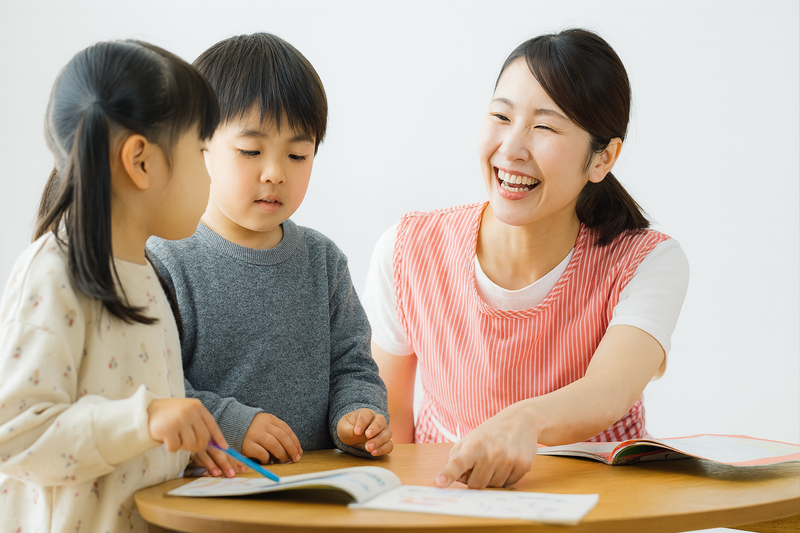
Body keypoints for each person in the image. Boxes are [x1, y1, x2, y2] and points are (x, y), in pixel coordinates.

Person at [363, 28, 689, 489]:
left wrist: (526, 421)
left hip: (602, 503)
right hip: (449, 500)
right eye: (501, 116)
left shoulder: (647, 261)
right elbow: (390, 416)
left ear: (602, 158)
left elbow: (610, 389)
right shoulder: (408, 248)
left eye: (544, 127)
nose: (511, 149)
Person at [0, 40, 238, 533]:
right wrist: (145, 420)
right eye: (201, 151)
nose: (209, 176)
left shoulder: (144, 271)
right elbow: (14, 437)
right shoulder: (53, 273)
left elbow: (127, 433)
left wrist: (175, 445)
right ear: (141, 162)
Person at [147, 33, 392, 469]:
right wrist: (231, 423)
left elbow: (353, 367)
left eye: (297, 155)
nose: (275, 173)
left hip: (314, 484)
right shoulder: (165, 260)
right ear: (197, 145)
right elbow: (153, 386)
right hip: (209, 486)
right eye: (250, 151)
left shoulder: (323, 261)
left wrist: (357, 416)